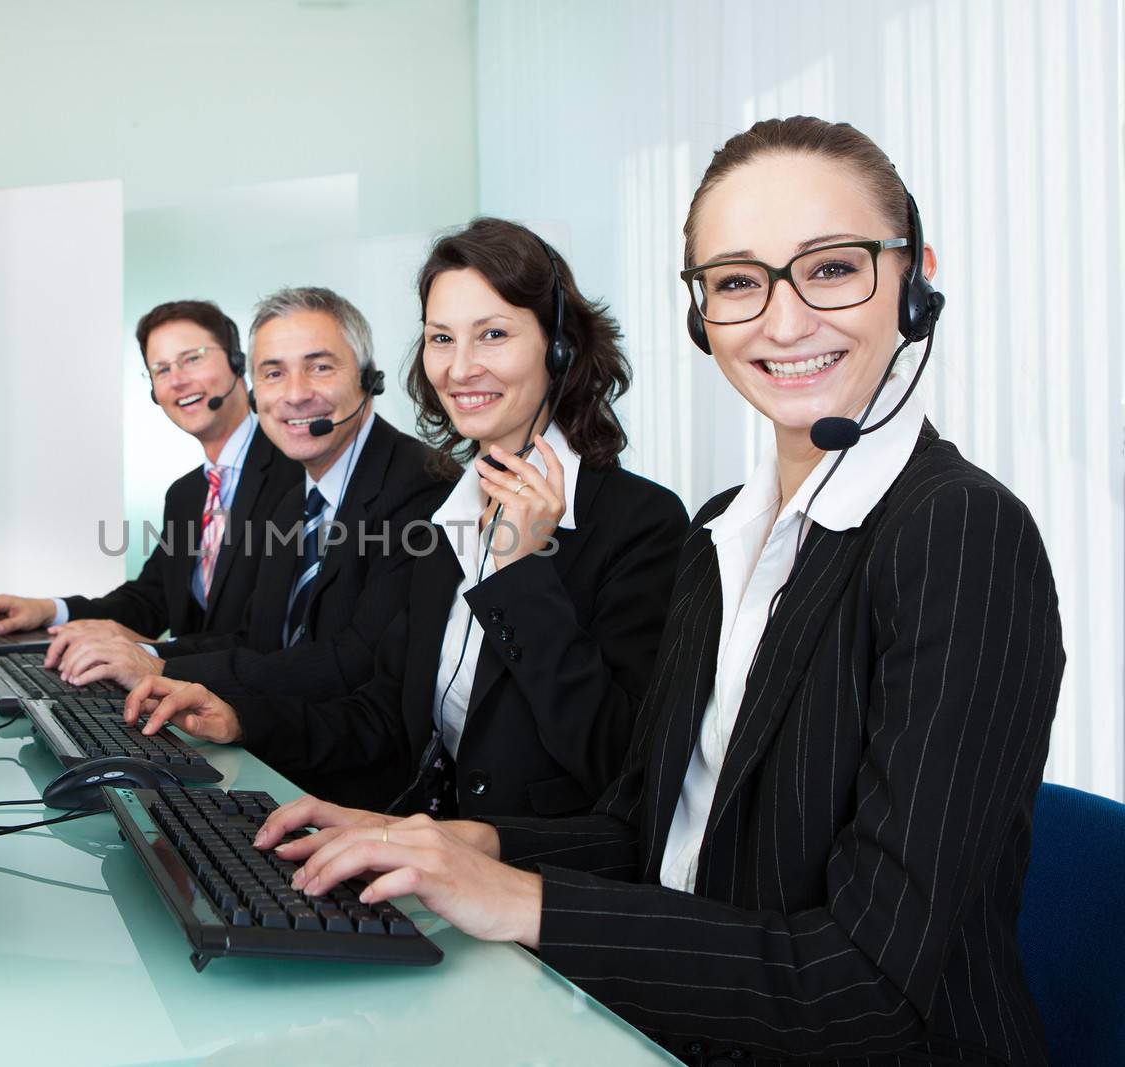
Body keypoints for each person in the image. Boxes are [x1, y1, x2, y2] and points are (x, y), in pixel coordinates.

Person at [249, 119, 1064, 1067]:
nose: (785, 320)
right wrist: (448, 840)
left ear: (915, 278)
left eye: (833, 267)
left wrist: (525, 899)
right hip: (679, 1015)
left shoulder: (961, 532)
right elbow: (648, 831)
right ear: (702, 312)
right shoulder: (726, 529)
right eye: (737, 281)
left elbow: (871, 984)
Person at [125, 218, 687, 820]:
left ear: (559, 347)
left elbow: (622, 766)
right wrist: (239, 717)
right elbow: (386, 716)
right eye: (441, 339)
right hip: (418, 843)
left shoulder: (642, 523)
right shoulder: (448, 515)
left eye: (492, 334)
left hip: (529, 881)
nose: (461, 368)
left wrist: (520, 575)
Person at [45, 287, 453, 700]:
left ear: (369, 377)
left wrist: (161, 666)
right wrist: (141, 653)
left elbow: (353, 664)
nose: (295, 394)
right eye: (274, 373)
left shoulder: (414, 483)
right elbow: (253, 638)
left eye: (320, 367)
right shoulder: (295, 500)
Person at [0, 300, 301, 646]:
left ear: (237, 361)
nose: (177, 380)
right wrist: (50, 610)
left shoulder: (297, 474)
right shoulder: (187, 494)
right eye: (161, 369)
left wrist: (151, 653)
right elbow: (149, 603)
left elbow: (274, 637)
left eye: (192, 359)